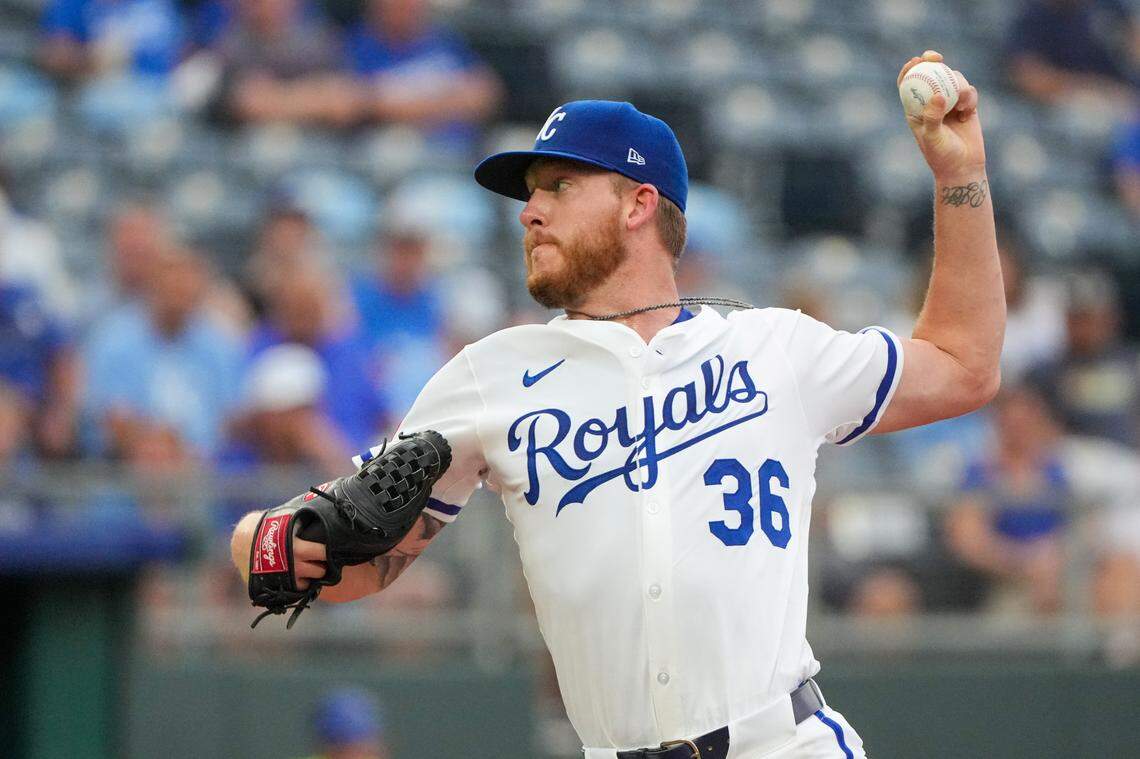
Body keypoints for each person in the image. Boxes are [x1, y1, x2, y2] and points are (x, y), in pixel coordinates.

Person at [232, 50, 1001, 758]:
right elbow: (365, 557)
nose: (530, 212)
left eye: (558, 187)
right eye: (529, 194)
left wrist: (958, 175)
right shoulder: (489, 374)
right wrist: (264, 541)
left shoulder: (775, 350)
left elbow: (964, 365)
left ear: (638, 203)